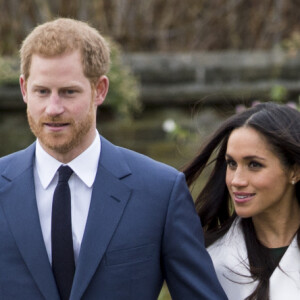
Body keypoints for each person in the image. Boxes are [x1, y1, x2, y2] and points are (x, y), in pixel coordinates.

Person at [0, 18, 227, 300]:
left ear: (100, 90)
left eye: (69, 92)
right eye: (42, 91)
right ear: (24, 89)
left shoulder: (160, 192)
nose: (53, 108)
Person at [184, 102, 300, 300]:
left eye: (254, 164)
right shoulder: (210, 262)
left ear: (294, 171)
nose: (236, 180)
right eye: (231, 163)